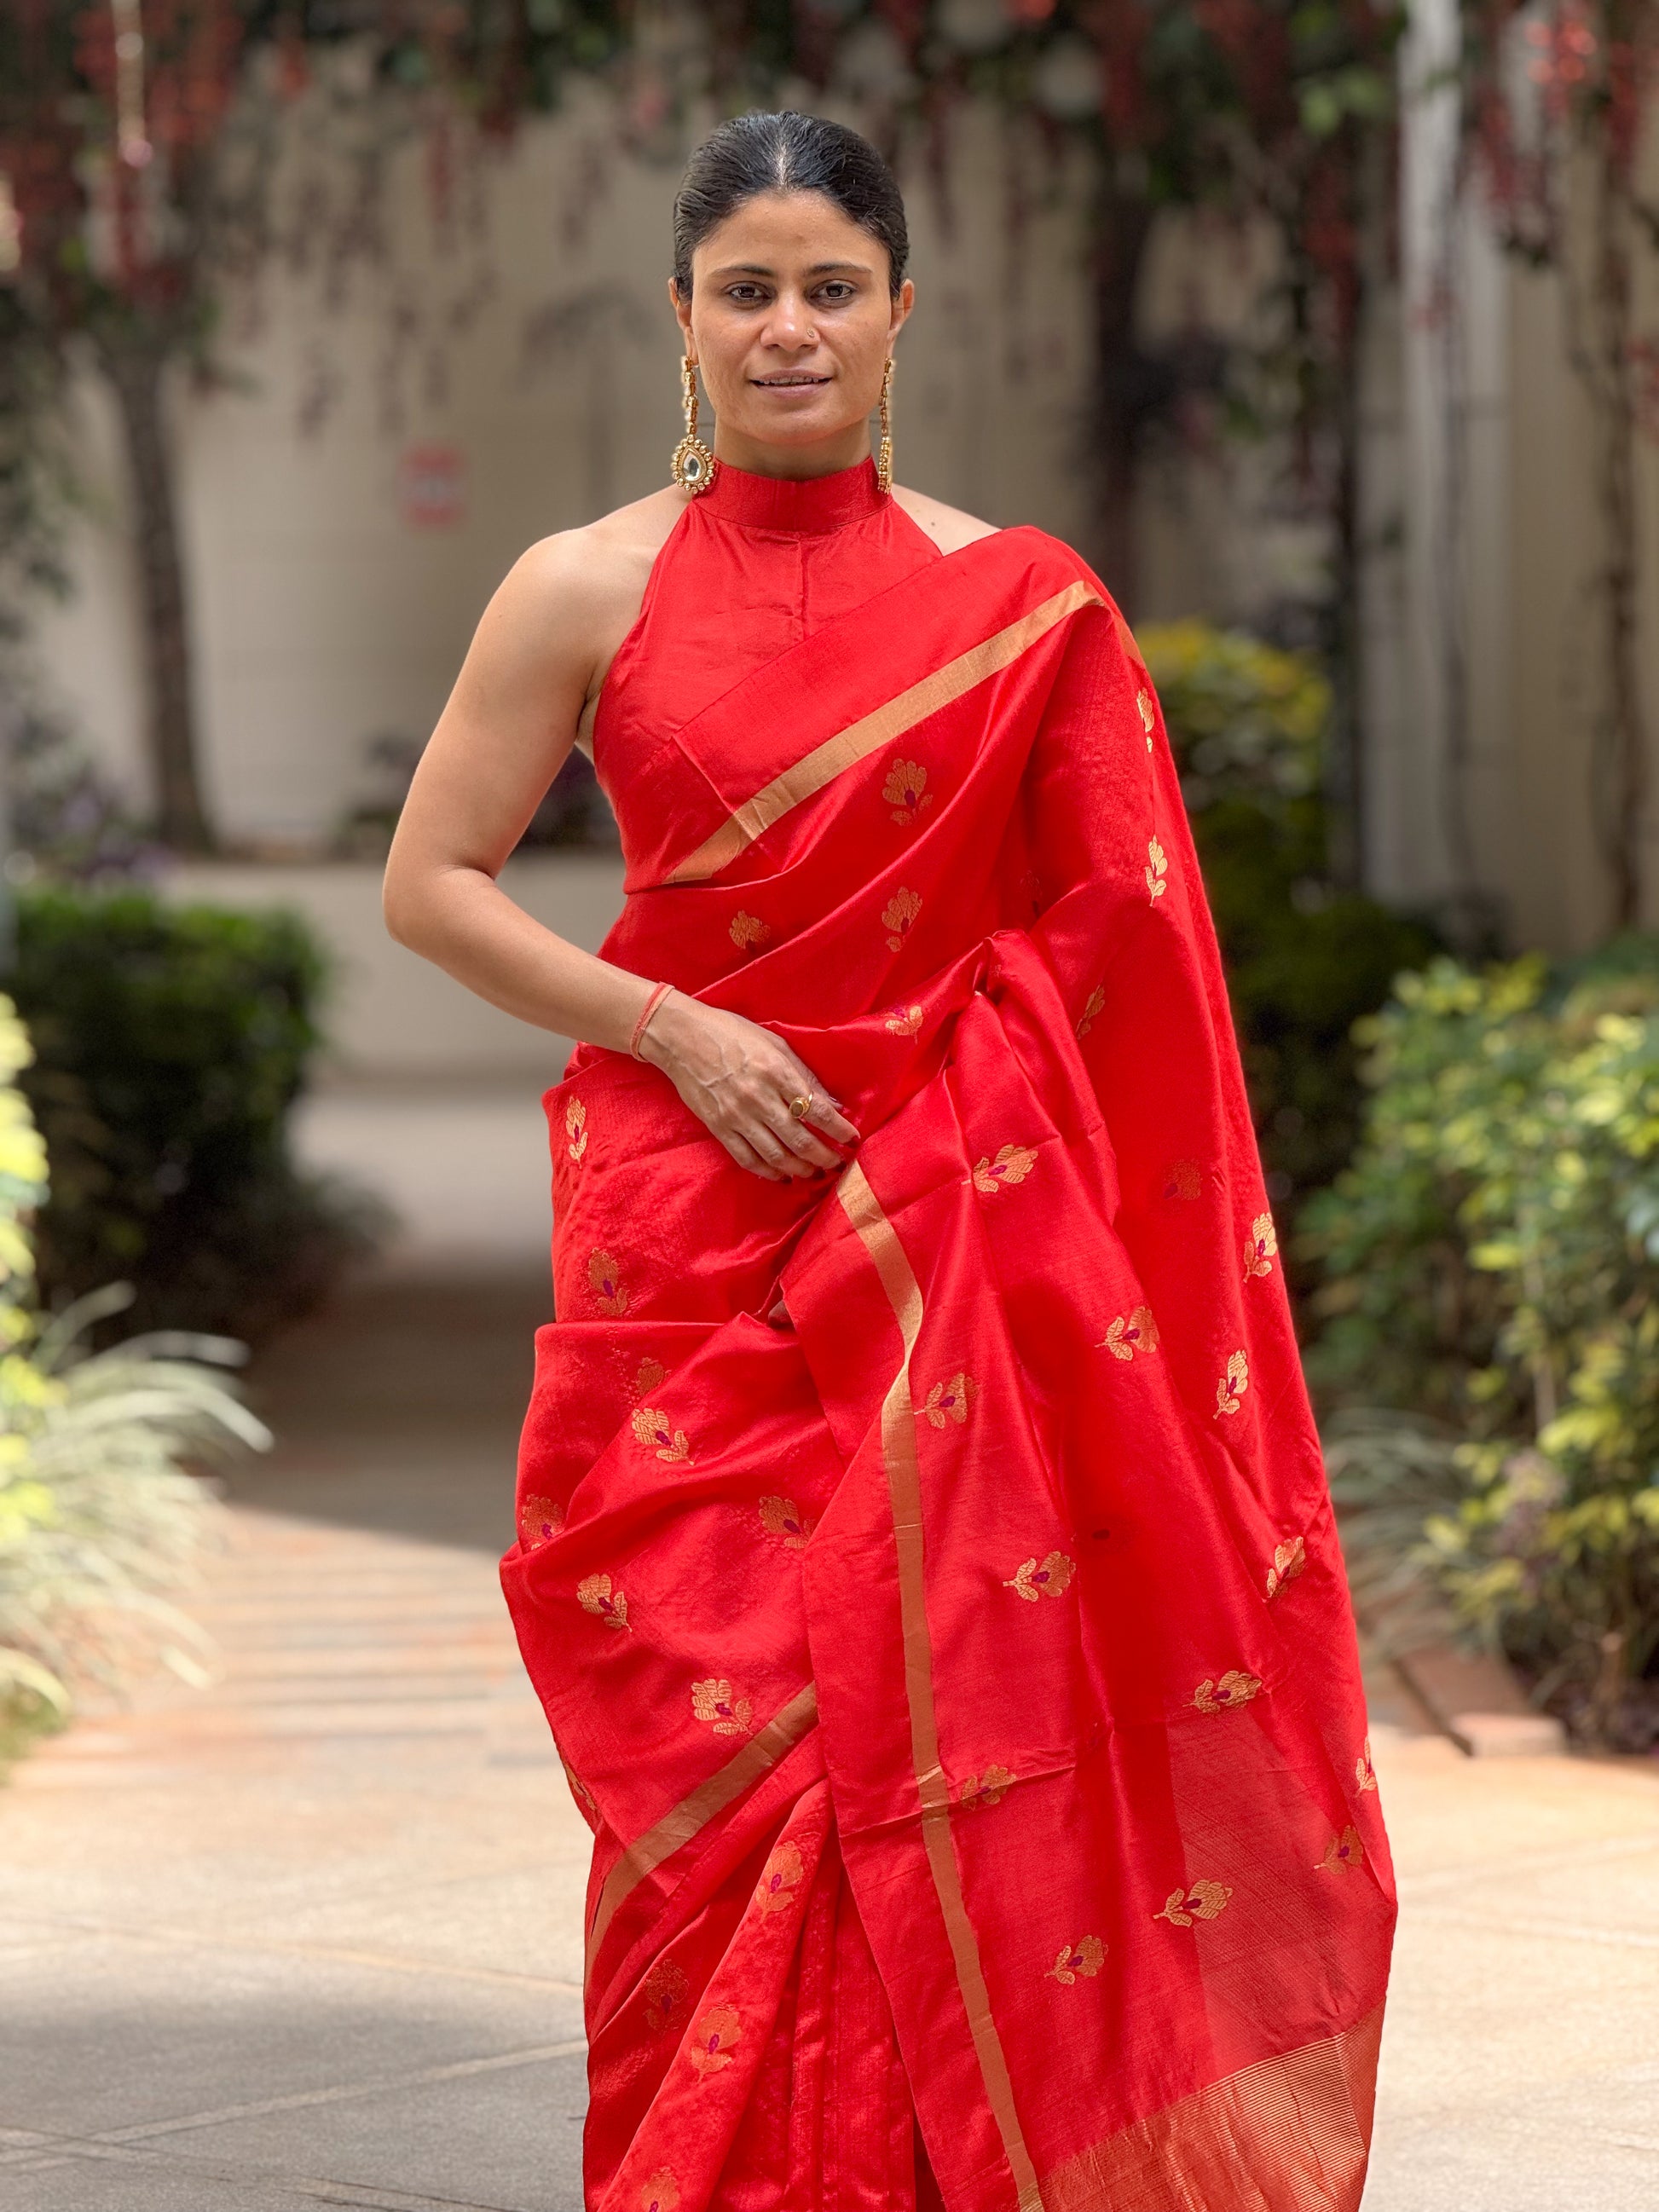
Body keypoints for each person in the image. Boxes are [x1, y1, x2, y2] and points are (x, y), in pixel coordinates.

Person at [384, 109, 1395, 2212]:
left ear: (899, 310)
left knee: (947, 1708)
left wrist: (961, 1103)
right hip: (686, 1225)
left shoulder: (1013, 601)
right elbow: (433, 881)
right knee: (727, 1734)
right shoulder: (579, 583)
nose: (788, 327)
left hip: (950, 1228)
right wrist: (672, 1025)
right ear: (680, 315)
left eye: (829, 287)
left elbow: (1118, 946)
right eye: (745, 288)